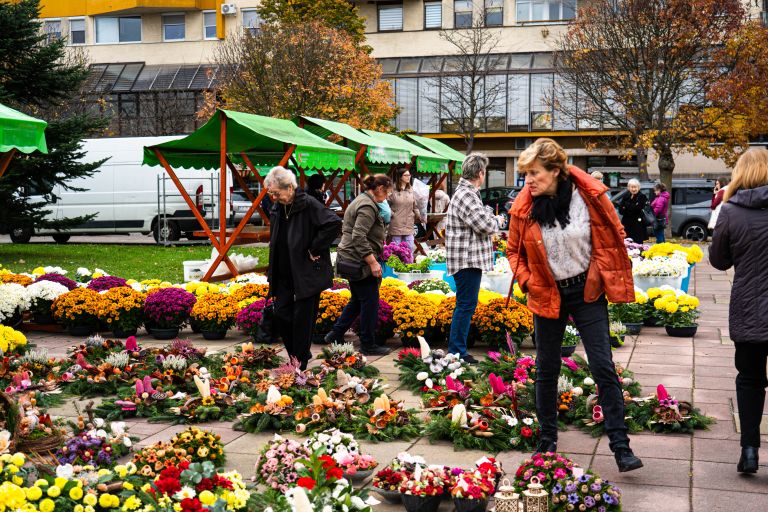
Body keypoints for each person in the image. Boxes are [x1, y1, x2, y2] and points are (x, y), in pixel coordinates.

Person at [507, 138, 643, 473]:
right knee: (547, 367)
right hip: (546, 291)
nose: (529, 181)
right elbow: (514, 252)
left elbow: (613, 233)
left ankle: (621, 446)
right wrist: (528, 280)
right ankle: (547, 440)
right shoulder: (524, 207)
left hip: (586, 290)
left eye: (535, 173)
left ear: (555, 171)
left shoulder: (589, 198)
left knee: (602, 366)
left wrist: (598, 271)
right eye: (526, 175)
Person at [709, 148, 768, 474]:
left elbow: (719, 260)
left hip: (749, 308)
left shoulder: (730, 210)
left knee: (749, 380)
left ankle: (749, 450)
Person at [265, 166, 342, 370]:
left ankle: (299, 361)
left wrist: (315, 246)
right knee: (281, 314)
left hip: (306, 271)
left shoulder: (308, 204)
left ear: (289, 188)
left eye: (276, 193)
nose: (273, 197)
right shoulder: (279, 207)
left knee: (303, 319)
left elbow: (334, 223)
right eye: (271, 193)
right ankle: (296, 354)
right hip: (282, 271)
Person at [324, 174, 394, 356]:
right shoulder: (367, 206)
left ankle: (335, 334)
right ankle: (368, 344)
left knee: (357, 300)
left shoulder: (362, 200)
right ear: (379, 189)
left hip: (351, 258)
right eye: (387, 193)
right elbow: (358, 236)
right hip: (359, 262)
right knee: (370, 302)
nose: (386, 197)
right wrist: (372, 262)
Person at [446, 153, 505, 364]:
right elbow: (484, 225)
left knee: (466, 304)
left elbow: (479, 219)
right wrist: (498, 220)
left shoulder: (469, 193)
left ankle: (457, 349)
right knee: (465, 305)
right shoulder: (466, 195)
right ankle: (456, 351)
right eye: (485, 172)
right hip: (466, 260)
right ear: (480, 173)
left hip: (468, 258)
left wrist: (490, 217)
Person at [388, 167, 424, 253]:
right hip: (396, 223)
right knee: (397, 250)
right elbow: (385, 204)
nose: (408, 177)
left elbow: (414, 206)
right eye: (406, 175)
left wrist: (420, 215)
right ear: (400, 177)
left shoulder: (411, 190)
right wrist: (393, 214)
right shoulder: (392, 190)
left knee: (409, 248)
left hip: (409, 223)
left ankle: (409, 266)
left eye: (409, 175)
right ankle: (396, 267)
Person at [618, 178, 648, 243]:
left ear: (639, 187)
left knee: (638, 243)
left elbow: (637, 209)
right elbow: (621, 211)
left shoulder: (642, 196)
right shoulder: (626, 196)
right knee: (627, 243)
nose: (633, 189)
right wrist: (631, 206)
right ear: (628, 187)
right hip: (627, 224)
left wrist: (626, 207)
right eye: (632, 187)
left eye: (635, 187)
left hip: (637, 225)